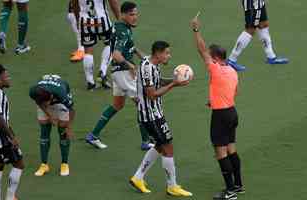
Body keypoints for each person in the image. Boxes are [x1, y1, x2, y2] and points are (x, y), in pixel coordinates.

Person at [85, 1, 153, 151]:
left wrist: (145, 58)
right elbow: (116, 55)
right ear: (123, 15)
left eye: (136, 14)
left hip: (117, 74)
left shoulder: (122, 28)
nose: (135, 17)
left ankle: (93, 135)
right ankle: (146, 141)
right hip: (123, 73)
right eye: (131, 14)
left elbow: (131, 47)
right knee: (143, 103)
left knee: (117, 105)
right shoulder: (123, 31)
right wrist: (131, 65)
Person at [191, 14, 244, 200]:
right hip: (231, 112)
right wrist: (214, 99)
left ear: (215, 58)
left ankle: (229, 192)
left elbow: (201, 50)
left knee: (220, 153)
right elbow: (233, 92)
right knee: (231, 149)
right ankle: (238, 185)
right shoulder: (232, 71)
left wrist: (196, 30)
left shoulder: (215, 68)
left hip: (221, 116)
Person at [129, 41, 192, 197]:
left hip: (155, 113)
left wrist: (174, 81)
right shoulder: (147, 69)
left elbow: (158, 81)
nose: (169, 56)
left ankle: (138, 177)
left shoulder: (152, 64)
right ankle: (172, 186)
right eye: (167, 53)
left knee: (159, 145)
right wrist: (174, 85)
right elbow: (152, 95)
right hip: (150, 116)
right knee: (167, 147)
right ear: (158, 53)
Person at [29, 74, 75, 177]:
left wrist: (69, 127)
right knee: (44, 127)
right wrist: (49, 116)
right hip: (44, 98)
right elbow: (39, 102)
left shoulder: (61, 93)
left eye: (48, 103)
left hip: (60, 103)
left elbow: (72, 110)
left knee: (63, 130)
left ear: (51, 97)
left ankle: (64, 164)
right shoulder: (33, 91)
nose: (47, 105)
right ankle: (44, 164)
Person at [227, 0, 289, 71]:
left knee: (263, 24)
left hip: (259, 2)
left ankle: (271, 56)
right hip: (252, 3)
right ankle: (231, 60)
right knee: (250, 29)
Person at [77, 0, 120, 90]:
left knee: (88, 51)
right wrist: (119, 18)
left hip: (85, 21)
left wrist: (78, 18)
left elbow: (74, 4)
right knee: (111, 43)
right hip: (102, 20)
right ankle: (102, 72)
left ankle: (90, 82)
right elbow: (113, 2)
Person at [0, 64, 24, 200]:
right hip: (0, 139)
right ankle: (10, 197)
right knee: (19, 163)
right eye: (6, 76)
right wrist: (11, 137)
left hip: (1, 137)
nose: (9, 78)